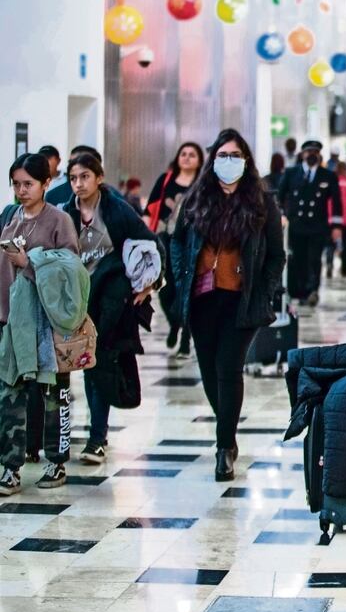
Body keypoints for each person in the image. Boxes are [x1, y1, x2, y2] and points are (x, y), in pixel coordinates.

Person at [171, 128, 285, 482]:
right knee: (208, 370)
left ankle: (224, 447)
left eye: (235, 156)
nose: (228, 162)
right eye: (222, 155)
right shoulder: (196, 198)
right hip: (203, 297)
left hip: (242, 299)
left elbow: (275, 256)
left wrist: (265, 292)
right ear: (213, 159)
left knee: (229, 368)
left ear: (246, 161)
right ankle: (227, 431)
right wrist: (180, 279)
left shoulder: (262, 202)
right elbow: (176, 243)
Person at [63, 153, 164, 464]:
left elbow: (151, 244)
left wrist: (149, 285)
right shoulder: (66, 212)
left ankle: (97, 437)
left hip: (112, 299)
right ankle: (83, 436)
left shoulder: (117, 210)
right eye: (73, 178)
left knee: (100, 364)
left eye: (85, 177)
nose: (78, 184)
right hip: (79, 299)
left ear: (99, 178)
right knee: (84, 366)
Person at [0, 153, 81, 494]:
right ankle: (10, 465)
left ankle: (56, 460)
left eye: (28, 184)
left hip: (48, 323)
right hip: (12, 321)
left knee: (53, 394)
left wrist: (29, 263)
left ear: (46, 183)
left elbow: (71, 272)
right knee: (9, 392)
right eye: (16, 184)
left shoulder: (59, 221)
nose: (22, 190)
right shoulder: (10, 217)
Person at [144, 142, 205, 358]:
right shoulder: (166, 180)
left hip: (193, 243)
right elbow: (150, 209)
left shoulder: (203, 184)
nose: (187, 157)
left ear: (199, 160)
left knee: (188, 290)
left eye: (192, 154)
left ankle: (186, 339)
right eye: (183, 154)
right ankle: (174, 323)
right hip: (164, 240)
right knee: (166, 289)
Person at [278, 140, 341, 307]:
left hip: (317, 226)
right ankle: (300, 291)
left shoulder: (327, 175)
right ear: (303, 154)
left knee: (314, 259)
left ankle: (313, 290)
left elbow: (336, 202)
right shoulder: (292, 173)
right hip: (296, 225)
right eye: (308, 152)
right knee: (298, 258)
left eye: (315, 152)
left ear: (319, 155)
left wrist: (336, 226)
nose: (312, 155)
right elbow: (279, 195)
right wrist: (281, 215)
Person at [329, 161, 346, 278]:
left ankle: (329, 266)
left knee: (330, 244)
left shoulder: (332, 182)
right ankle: (345, 269)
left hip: (333, 219)